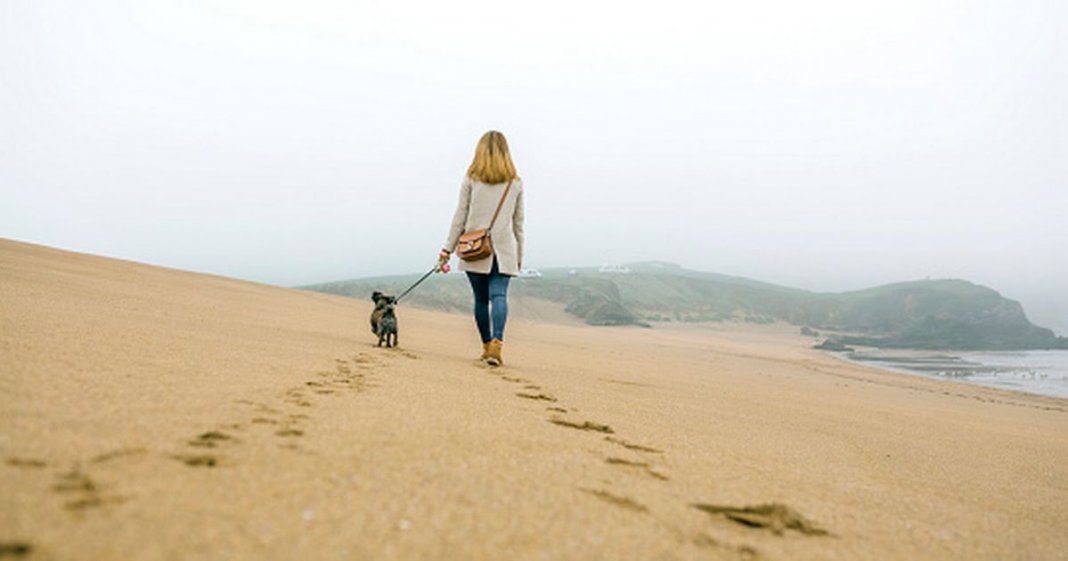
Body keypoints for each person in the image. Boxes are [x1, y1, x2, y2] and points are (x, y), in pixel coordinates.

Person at [439, 131, 525, 366]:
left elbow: (460, 216)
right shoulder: (515, 183)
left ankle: (487, 345)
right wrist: (519, 255)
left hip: (474, 246)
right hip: (504, 248)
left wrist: (447, 248)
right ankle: (497, 343)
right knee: (499, 295)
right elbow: (518, 223)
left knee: (480, 300)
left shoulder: (471, 178)